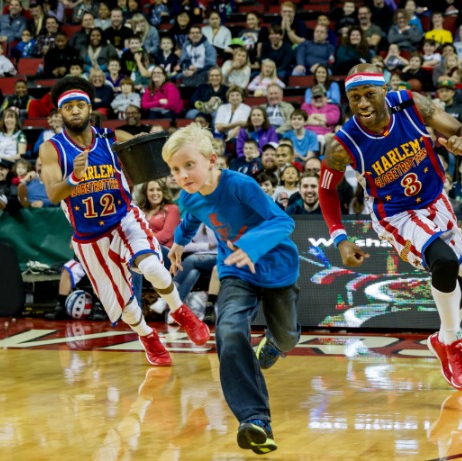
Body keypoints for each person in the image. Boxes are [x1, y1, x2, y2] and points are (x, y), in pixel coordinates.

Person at [318, 63, 462, 392]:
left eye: (368, 94)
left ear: (385, 90)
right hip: (396, 215)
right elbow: (325, 189)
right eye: (354, 97)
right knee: (445, 262)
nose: (362, 103)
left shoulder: (410, 104)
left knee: (455, 285)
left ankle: (443, 338)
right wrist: (340, 238)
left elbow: (461, 128)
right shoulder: (342, 143)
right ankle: (455, 344)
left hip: (436, 200)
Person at [39, 77, 210, 366]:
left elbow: (157, 152)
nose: (76, 111)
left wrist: (184, 148)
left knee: (152, 265)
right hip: (89, 236)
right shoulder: (52, 149)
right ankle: (147, 336)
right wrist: (74, 176)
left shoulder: (111, 138)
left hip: (123, 218)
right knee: (123, 303)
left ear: (90, 108)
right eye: (69, 107)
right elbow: (54, 193)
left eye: (81, 104)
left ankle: (180, 311)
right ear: (61, 114)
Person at [163, 122, 301, 455]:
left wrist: (251, 246)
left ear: (212, 160)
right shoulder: (190, 196)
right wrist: (179, 244)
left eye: (189, 165)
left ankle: (272, 347)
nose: (182, 174)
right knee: (227, 327)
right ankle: (254, 419)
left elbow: (283, 222)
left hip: (276, 268)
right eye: (175, 169)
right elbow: (192, 218)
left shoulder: (241, 185)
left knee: (286, 337)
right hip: (235, 270)